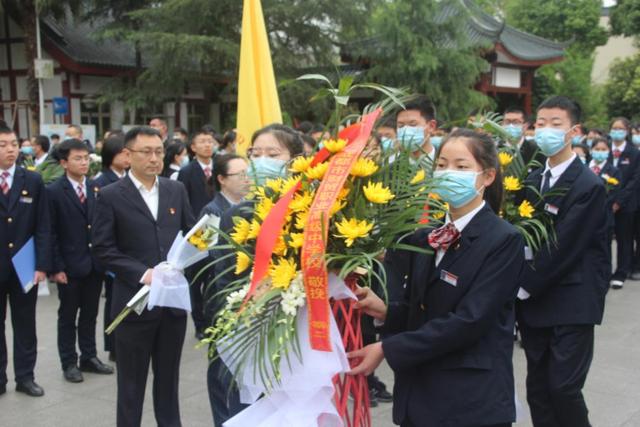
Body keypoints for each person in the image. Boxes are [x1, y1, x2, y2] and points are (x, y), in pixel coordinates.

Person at [348, 128, 525, 427]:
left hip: (469, 400)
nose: (448, 173)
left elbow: (470, 320)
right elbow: (424, 308)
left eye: (461, 166)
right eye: (441, 165)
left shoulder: (503, 240)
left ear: (488, 176)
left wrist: (387, 348)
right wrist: (385, 310)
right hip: (420, 394)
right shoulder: (425, 236)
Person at [92, 126, 194, 427]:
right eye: (146, 152)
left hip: (171, 305)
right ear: (127, 155)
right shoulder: (110, 195)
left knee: (168, 382)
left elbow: (189, 234)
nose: (154, 158)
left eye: (159, 151)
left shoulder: (176, 189)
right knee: (131, 386)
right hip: (133, 305)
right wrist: (142, 273)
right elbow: (103, 249)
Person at [517, 96, 609, 427]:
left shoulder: (589, 185)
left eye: (555, 124)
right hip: (536, 305)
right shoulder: (531, 179)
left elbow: (564, 246)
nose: (546, 130)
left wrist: (522, 284)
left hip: (571, 302)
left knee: (564, 387)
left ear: (574, 131)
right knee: (538, 389)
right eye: (540, 124)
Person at [205, 124, 303, 427]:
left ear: (296, 160)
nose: (262, 160)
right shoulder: (237, 214)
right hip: (245, 337)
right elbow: (221, 281)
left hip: (297, 342)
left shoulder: (312, 212)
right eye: (255, 153)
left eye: (272, 153)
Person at [47, 139, 114, 383]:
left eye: (86, 158)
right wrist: (56, 267)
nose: (83, 162)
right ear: (64, 163)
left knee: (90, 314)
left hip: (94, 264)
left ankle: (89, 356)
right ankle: (69, 362)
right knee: (67, 316)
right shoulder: (54, 191)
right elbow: (51, 232)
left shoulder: (97, 189)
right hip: (69, 266)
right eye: (77, 158)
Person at [0, 125, 51, 397]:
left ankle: (25, 377)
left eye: (14, 143)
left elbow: (42, 225)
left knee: (25, 325)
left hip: (24, 267)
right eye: (3, 144)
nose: (10, 149)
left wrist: (42, 264)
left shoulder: (31, 180)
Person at [93, 134, 129, 362]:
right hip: (113, 253)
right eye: (122, 153)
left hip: (130, 250)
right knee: (114, 301)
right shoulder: (101, 183)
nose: (127, 157)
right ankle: (113, 344)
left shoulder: (130, 178)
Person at [178, 130, 216, 338]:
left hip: (217, 228)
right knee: (196, 280)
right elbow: (184, 203)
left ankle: (213, 319)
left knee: (214, 277)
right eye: (202, 141)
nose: (207, 145)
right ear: (193, 147)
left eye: (210, 141)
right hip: (197, 232)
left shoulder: (219, 167)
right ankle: (199, 324)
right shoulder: (187, 172)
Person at [608, 117, 640, 289]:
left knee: (624, 239)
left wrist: (619, 202)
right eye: (614, 128)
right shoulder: (603, 148)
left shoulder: (634, 153)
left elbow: (634, 181)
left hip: (626, 205)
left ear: (627, 131)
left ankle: (622, 271)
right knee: (603, 238)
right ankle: (604, 271)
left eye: (620, 128)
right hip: (605, 203)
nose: (616, 131)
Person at [590, 137, 621, 271]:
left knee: (604, 250)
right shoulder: (584, 167)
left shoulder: (613, 171)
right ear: (591, 150)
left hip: (604, 218)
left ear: (609, 151)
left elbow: (613, 195)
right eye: (597, 149)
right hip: (585, 218)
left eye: (603, 149)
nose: (600, 152)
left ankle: (604, 275)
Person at [199, 154, 250, 219]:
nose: (247, 179)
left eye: (248, 173)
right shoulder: (212, 211)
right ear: (221, 179)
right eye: (241, 175)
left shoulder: (252, 205)